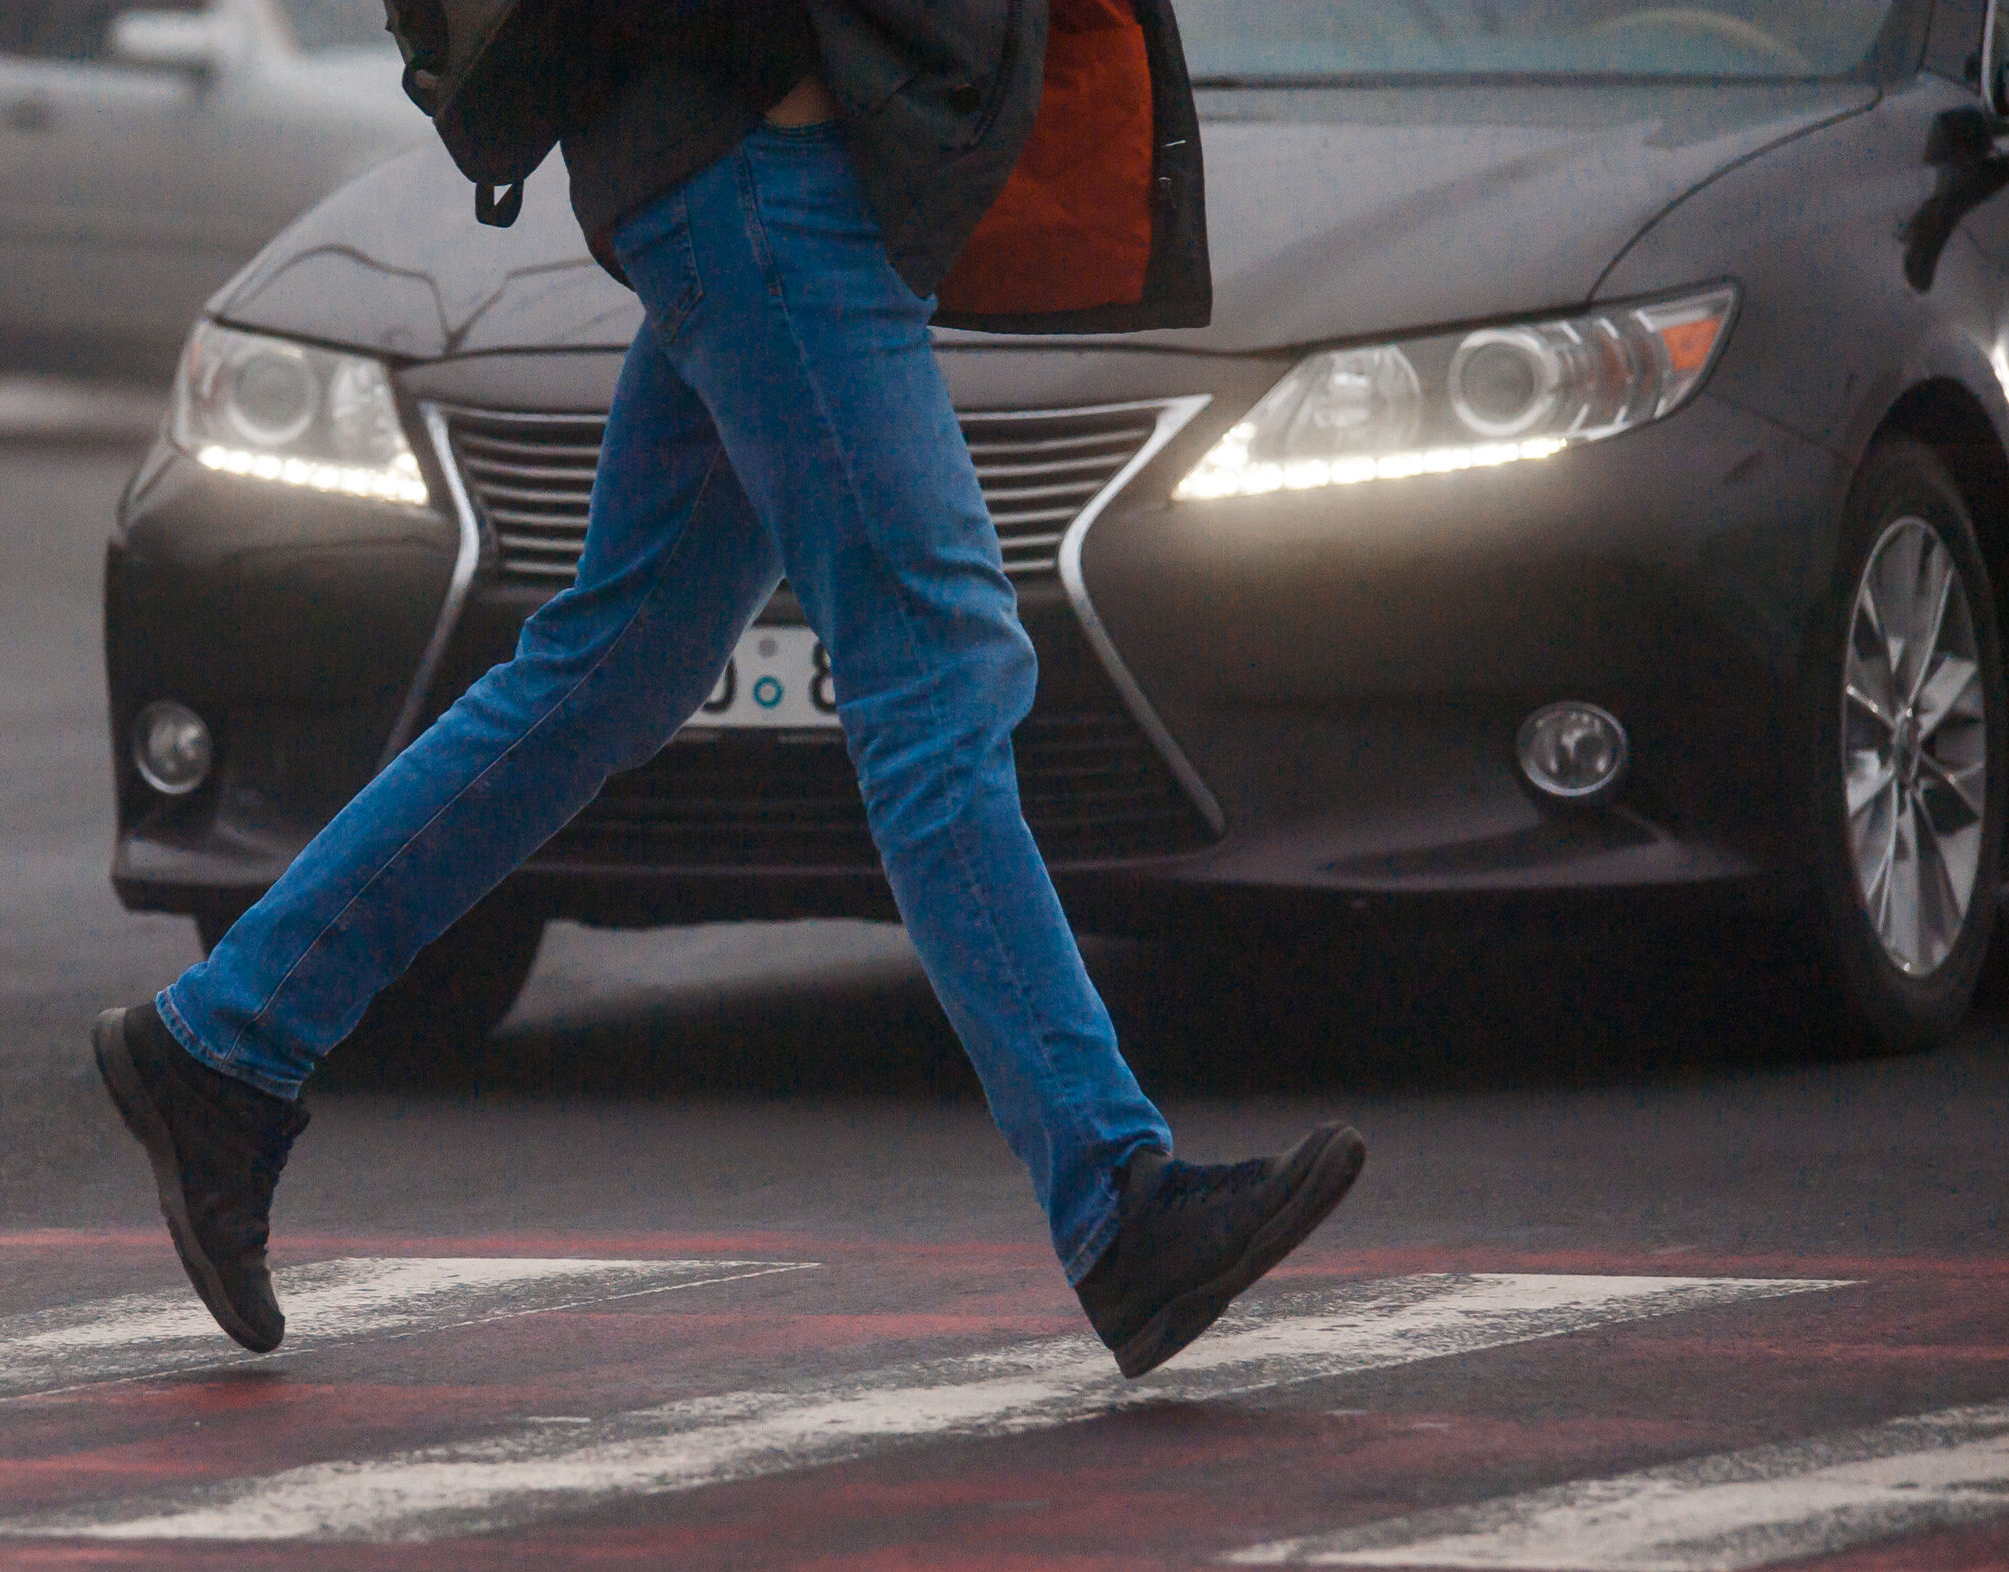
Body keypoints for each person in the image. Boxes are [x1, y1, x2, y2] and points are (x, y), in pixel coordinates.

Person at [93, 0, 1364, 1380]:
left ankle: (225, 1046)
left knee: (617, 664)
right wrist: (790, 81)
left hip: (755, 166)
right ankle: (1117, 1200)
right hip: (767, 169)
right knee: (939, 666)